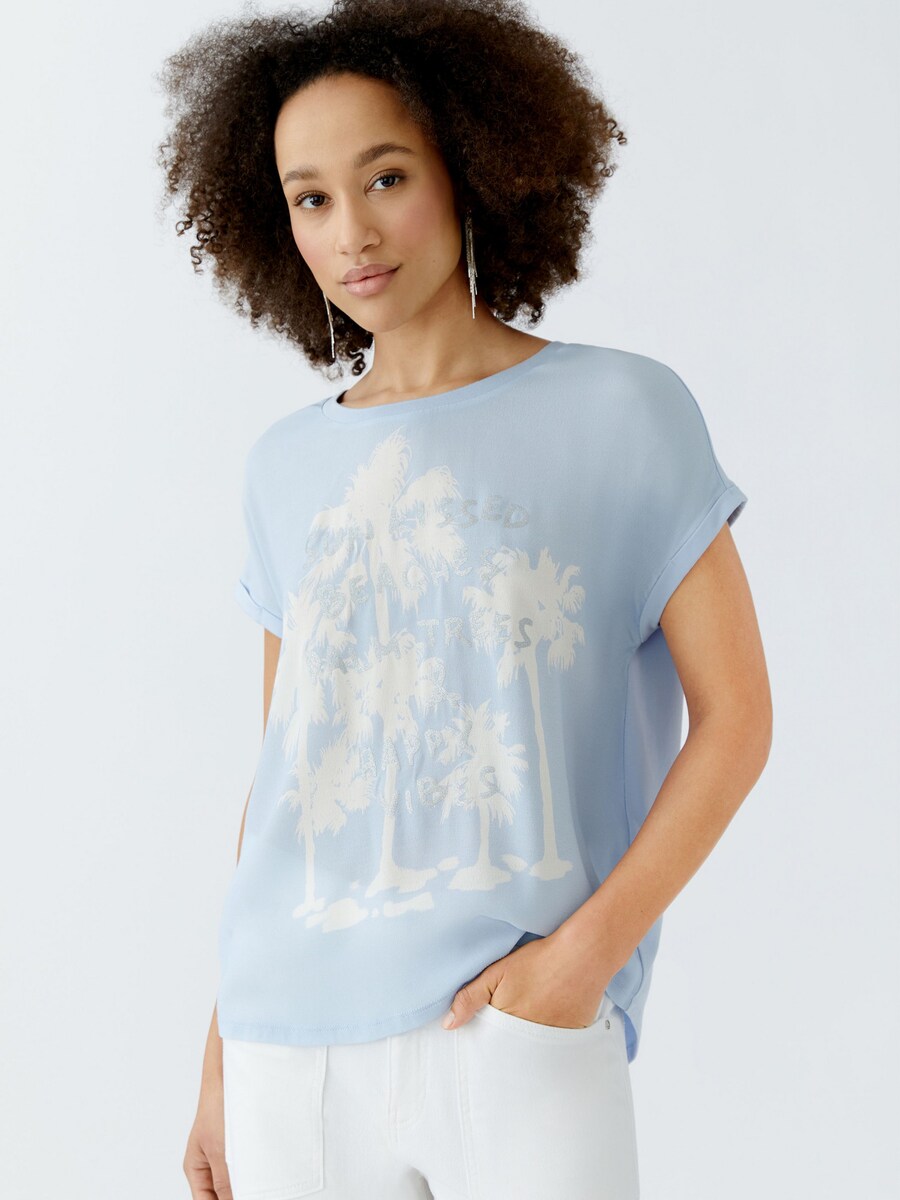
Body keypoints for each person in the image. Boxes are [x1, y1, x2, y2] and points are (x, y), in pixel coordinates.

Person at [157, 1, 772, 1197]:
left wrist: (581, 964)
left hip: (515, 1028)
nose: (351, 232)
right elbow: (284, 775)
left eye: (385, 177)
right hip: (289, 1050)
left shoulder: (623, 413)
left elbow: (738, 719)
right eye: (310, 199)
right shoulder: (284, 467)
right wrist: (222, 1057)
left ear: (470, 166)